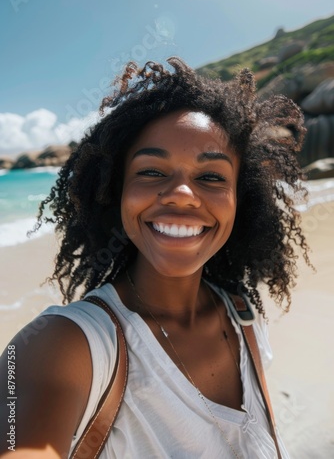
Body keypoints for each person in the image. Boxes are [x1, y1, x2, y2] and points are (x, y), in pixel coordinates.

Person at [0, 58, 311, 458]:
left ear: (241, 201)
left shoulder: (243, 317)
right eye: (152, 171)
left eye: (212, 177)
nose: (182, 194)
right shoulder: (65, 345)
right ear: (116, 192)